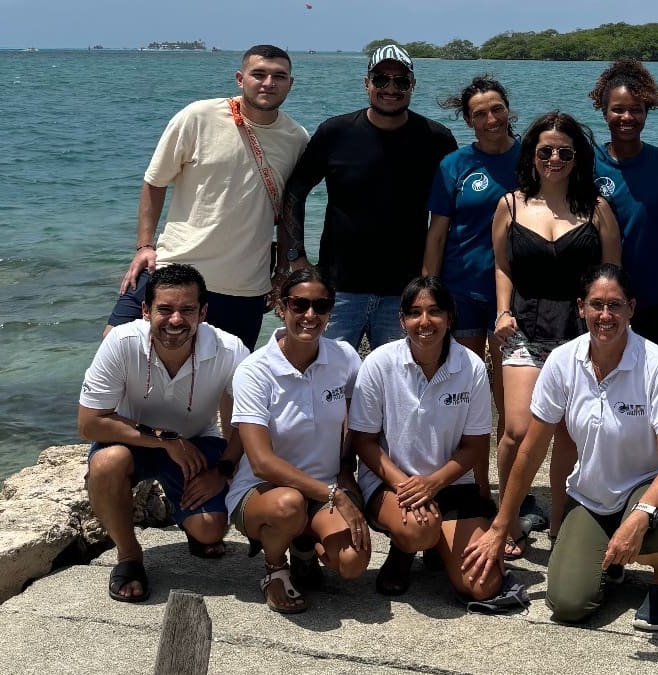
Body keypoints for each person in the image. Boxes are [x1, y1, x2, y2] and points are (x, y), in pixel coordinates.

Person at [464, 264, 658, 631]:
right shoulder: (561, 361)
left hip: (652, 488)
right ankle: (610, 564)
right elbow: (530, 450)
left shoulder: (657, 365)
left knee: (654, 531)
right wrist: (500, 526)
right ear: (580, 307)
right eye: (596, 305)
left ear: (632, 308)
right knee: (568, 604)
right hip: (592, 497)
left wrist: (638, 517)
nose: (605, 316)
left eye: (615, 305)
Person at [105, 45, 308, 350]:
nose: (269, 83)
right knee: (115, 345)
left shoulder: (297, 138)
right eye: (259, 74)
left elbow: (289, 211)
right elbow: (154, 181)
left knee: (227, 377)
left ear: (290, 83)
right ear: (240, 78)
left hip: (244, 285)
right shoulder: (198, 116)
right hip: (176, 265)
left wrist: (282, 272)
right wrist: (144, 245)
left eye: (279, 76)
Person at [491, 111, 621, 556]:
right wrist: (502, 311)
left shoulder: (597, 209)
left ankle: (560, 524)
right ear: (532, 155)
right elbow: (502, 265)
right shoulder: (509, 205)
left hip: (579, 332)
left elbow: (611, 276)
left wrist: (608, 327)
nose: (554, 158)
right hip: (524, 327)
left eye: (564, 152)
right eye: (545, 150)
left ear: (577, 158)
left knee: (567, 433)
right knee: (517, 430)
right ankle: (505, 519)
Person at [80, 264, 251, 603]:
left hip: (196, 443)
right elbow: (89, 423)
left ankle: (190, 523)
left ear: (203, 312)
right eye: (165, 309)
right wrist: (163, 439)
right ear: (145, 311)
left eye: (187, 309)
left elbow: (246, 423)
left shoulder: (230, 350)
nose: (176, 320)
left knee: (211, 529)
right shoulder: (121, 342)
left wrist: (224, 471)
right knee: (106, 463)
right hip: (132, 441)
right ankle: (129, 556)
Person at [282, 44, 458, 351]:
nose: (391, 88)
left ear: (412, 86)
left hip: (405, 291)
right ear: (367, 84)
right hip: (338, 288)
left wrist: (436, 281)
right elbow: (295, 192)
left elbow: (455, 212)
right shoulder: (334, 132)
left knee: (397, 384)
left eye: (401, 81)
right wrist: (296, 257)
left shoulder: (436, 139)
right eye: (381, 79)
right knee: (326, 379)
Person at [349, 276, 502, 602]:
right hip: (391, 483)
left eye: (434, 311)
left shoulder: (471, 367)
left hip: (450, 484)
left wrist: (432, 484)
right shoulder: (380, 363)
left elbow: (475, 447)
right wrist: (407, 485)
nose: (425, 321)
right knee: (418, 528)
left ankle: (436, 542)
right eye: (415, 313)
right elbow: (364, 441)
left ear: (449, 317)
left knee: (482, 586)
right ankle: (403, 550)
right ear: (402, 320)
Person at [227, 268, 370, 614]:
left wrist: (346, 475)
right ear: (281, 307)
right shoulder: (254, 370)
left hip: (325, 485)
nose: (310, 315)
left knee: (353, 562)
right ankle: (275, 568)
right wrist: (334, 495)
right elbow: (261, 462)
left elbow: (353, 427)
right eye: (299, 304)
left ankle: (305, 546)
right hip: (263, 490)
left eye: (321, 306)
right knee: (289, 504)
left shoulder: (345, 358)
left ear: (331, 312)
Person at [424, 75, 520, 490]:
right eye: (479, 113)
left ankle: (507, 493)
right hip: (460, 291)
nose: (490, 118)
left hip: (513, 296)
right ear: (468, 120)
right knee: (465, 397)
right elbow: (438, 233)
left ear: (508, 110)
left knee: (508, 402)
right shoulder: (455, 165)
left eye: (497, 108)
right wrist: (428, 292)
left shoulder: (532, 158)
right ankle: (474, 488)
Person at [589, 60, 658, 360]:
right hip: (602, 297)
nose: (627, 117)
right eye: (618, 109)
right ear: (604, 112)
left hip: (656, 294)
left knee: (656, 379)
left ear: (647, 111)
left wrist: (652, 243)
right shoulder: (588, 162)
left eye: (636, 109)